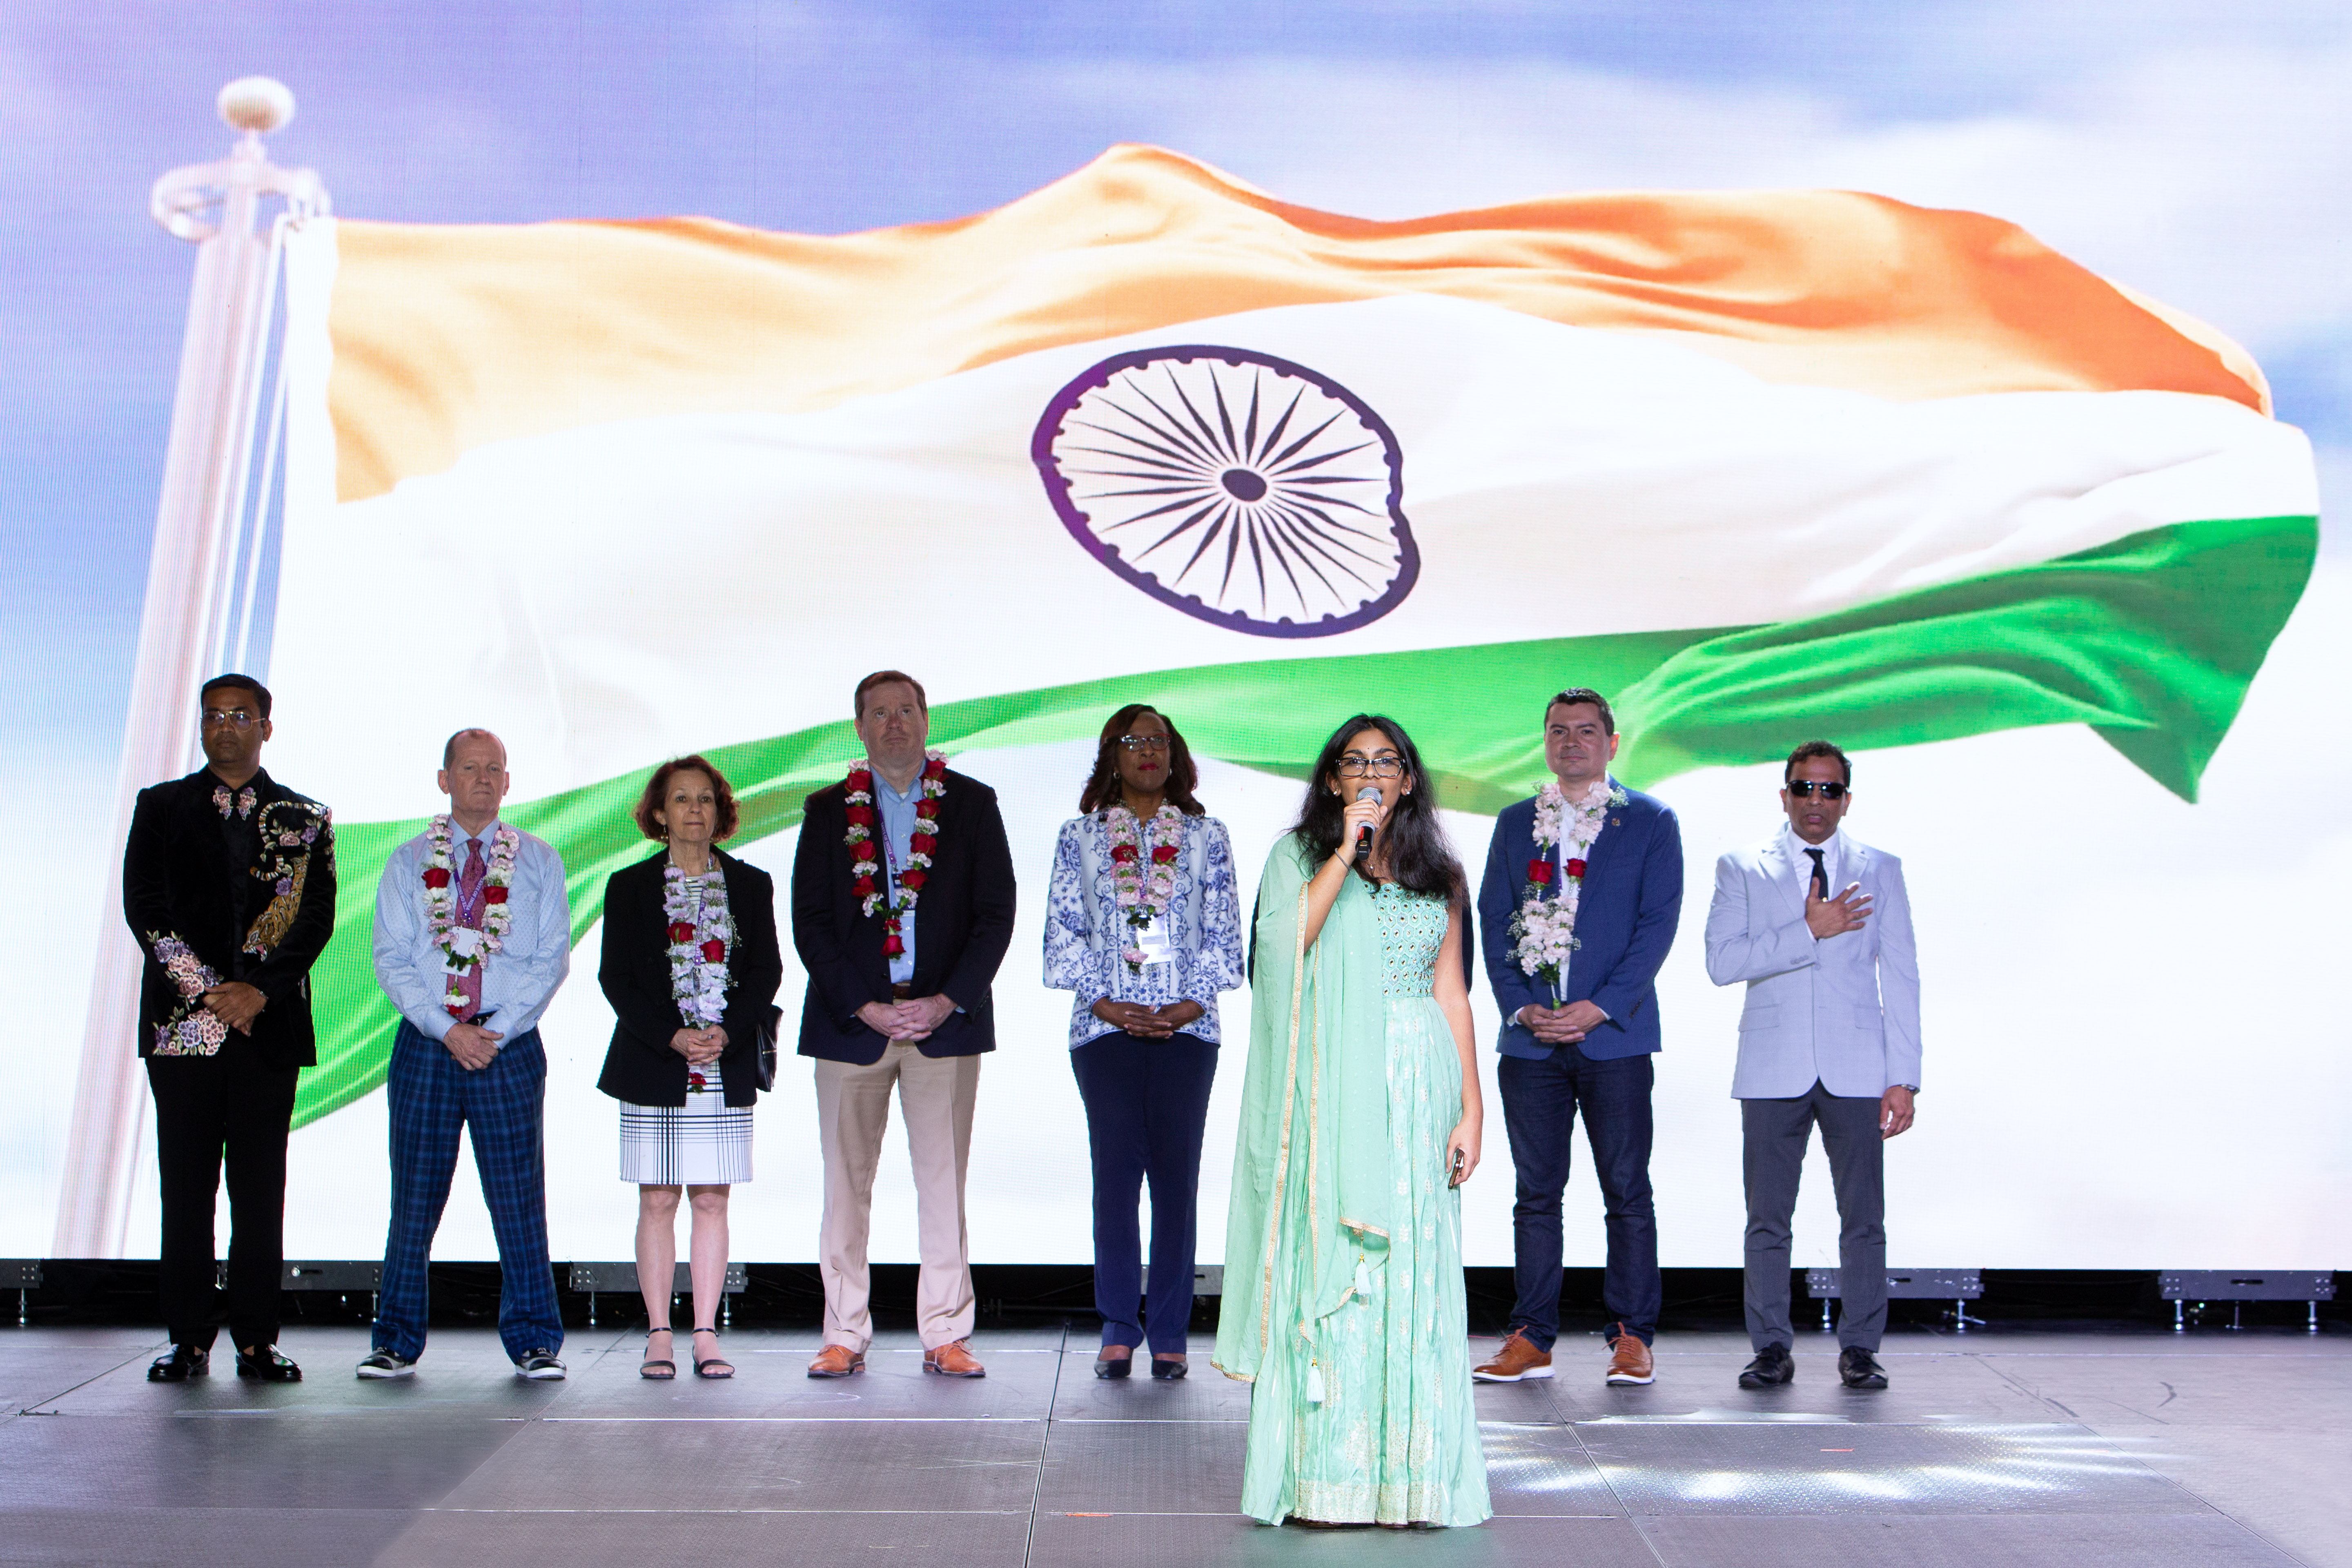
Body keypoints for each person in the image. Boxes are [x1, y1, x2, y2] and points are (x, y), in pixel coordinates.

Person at [1214, 714, 1491, 1528]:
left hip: (1420, 1082)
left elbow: (1452, 992)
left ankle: (1412, 1479)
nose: (1371, 774)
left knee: (1413, 1270)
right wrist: (1344, 850)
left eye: (1387, 762)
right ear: (1333, 778)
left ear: (1409, 778)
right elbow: (1282, 951)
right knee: (1339, 1266)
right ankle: (1326, 1478)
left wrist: (1473, 1108)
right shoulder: (1298, 858)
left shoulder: (1440, 871)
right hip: (1333, 1083)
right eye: (1355, 762)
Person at [791, 671, 1016, 1379]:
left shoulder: (972, 803)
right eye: (879, 712)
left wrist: (947, 1001)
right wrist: (865, 1005)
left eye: (906, 710)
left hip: (942, 1025)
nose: (894, 722)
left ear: (926, 719)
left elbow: (995, 916)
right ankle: (843, 1333)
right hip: (852, 1023)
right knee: (844, 1188)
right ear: (859, 728)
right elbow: (811, 922)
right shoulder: (828, 810)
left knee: (943, 1185)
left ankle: (946, 1332)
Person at [126, 674, 335, 1383]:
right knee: (186, 1189)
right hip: (183, 1030)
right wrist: (211, 994)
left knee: (259, 1189)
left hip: (267, 1029)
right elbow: (146, 909)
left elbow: (312, 920)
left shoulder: (305, 817)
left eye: (240, 715)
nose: (225, 727)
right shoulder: (161, 807)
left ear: (266, 728)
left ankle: (256, 1339)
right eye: (213, 715)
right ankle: (188, 1338)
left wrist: (258, 993)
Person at [1473, 688, 1684, 1388]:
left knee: (1626, 1191)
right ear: (1546, 741)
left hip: (1614, 1040)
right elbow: (1493, 920)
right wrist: (1522, 1008)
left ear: (1612, 743)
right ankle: (1531, 1337)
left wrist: (1600, 1007)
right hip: (1531, 1044)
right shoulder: (1515, 823)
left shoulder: (1650, 820)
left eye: (1587, 731)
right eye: (1559, 730)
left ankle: (1632, 1336)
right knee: (1536, 1195)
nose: (1572, 742)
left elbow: (1657, 925)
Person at [1703, 740, 1920, 1390]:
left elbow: (1901, 976)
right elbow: (1721, 963)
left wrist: (1903, 1077)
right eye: (1804, 788)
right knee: (1768, 1220)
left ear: (1847, 799)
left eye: (1829, 789)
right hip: (1773, 1064)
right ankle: (1771, 1347)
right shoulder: (1742, 866)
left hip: (1859, 1065)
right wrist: (1809, 930)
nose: (1815, 800)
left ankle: (1862, 1349)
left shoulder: (1882, 868)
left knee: (1864, 1220)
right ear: (1784, 795)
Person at [361, 729, 572, 1380]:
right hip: (428, 1045)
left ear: (508, 782)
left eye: (494, 769)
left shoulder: (539, 861)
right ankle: (395, 1340)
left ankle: (535, 1340)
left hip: (507, 1046)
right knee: (414, 1201)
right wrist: (445, 1029)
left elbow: (550, 960)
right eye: (470, 767)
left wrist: (495, 1030)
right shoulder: (407, 862)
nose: (483, 778)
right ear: (444, 779)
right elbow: (392, 959)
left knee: (518, 1200)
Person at [1044, 706, 1245, 1380]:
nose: (1147, 751)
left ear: (1175, 754)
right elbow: (1063, 933)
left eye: (1159, 740)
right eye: (1133, 741)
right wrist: (1109, 1006)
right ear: (1112, 754)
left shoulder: (1207, 836)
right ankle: (1117, 1326)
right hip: (1104, 1030)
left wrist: (1184, 1009)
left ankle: (1169, 1331)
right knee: (1115, 1179)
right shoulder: (1078, 836)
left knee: (1176, 1182)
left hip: (1188, 1031)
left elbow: (1225, 935)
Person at [597, 755, 783, 1381]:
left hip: (723, 1064)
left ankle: (706, 1334)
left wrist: (726, 1033)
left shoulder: (750, 884)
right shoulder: (629, 886)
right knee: (657, 1200)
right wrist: (671, 1036)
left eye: (705, 798)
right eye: (681, 799)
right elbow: (616, 979)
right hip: (655, 1061)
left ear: (720, 810)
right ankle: (658, 1334)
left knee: (711, 1200)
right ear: (659, 812)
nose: (695, 809)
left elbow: (766, 971)